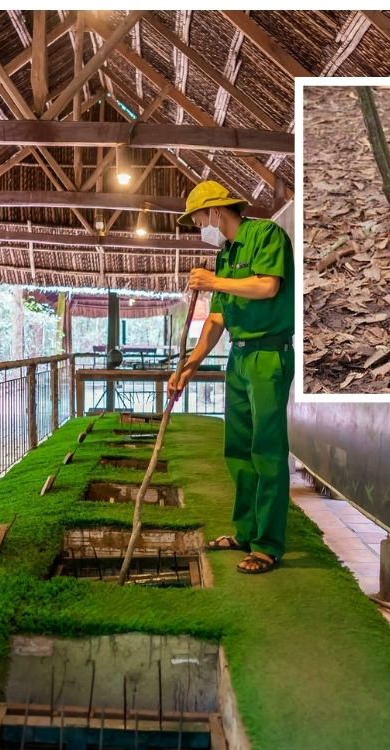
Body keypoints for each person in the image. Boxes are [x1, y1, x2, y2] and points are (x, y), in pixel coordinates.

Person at [167, 181, 295, 575]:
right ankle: (245, 531)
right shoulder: (224, 256)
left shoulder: (265, 234)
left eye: (199, 217)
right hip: (238, 357)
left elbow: (266, 286)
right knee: (237, 449)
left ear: (218, 211)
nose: (199, 225)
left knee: (267, 450)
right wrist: (189, 365)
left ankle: (268, 545)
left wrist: (213, 283)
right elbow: (217, 319)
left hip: (269, 354)